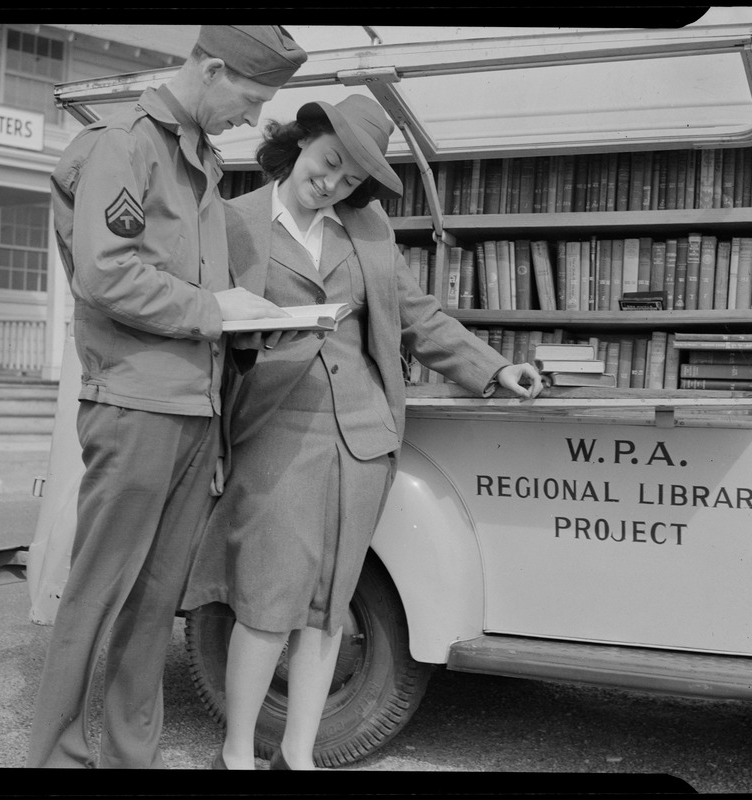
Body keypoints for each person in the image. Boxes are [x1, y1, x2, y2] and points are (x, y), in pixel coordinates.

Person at [181, 94, 543, 770]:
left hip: (364, 441)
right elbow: (202, 335)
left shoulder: (367, 228)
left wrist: (492, 369)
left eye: (350, 179)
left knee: (328, 609)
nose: (333, 184)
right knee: (266, 603)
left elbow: (419, 317)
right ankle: (234, 756)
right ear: (300, 141)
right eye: (327, 164)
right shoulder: (233, 223)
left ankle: (299, 756)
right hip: (274, 435)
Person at [26, 26, 308, 770]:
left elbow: (196, 293)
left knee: (154, 607)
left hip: (191, 410)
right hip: (135, 404)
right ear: (213, 69)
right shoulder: (124, 144)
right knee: (98, 597)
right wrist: (220, 310)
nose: (253, 119)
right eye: (250, 98)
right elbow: (108, 275)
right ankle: (58, 760)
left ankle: (128, 758)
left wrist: (248, 321)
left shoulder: (202, 162)